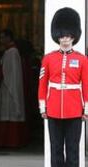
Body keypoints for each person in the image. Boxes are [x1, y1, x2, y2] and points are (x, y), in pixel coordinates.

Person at [38, 7, 88, 167]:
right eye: (62, 35)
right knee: (56, 150)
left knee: (73, 151)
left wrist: (86, 109)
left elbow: (86, 85)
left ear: (74, 36)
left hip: (74, 110)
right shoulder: (48, 58)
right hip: (53, 110)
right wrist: (43, 107)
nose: (65, 39)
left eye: (68, 35)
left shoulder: (82, 60)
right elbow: (43, 84)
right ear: (57, 36)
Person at [0, 29, 27, 147]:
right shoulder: (10, 52)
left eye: (3, 37)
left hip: (8, 88)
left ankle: (8, 142)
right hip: (7, 86)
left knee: (8, 112)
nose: (1, 40)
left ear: (8, 38)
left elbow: (5, 72)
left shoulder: (11, 52)